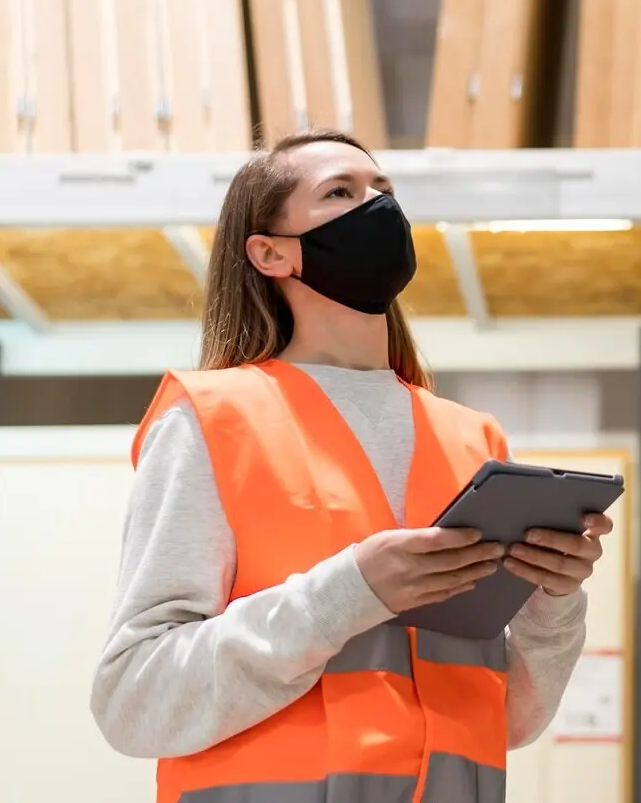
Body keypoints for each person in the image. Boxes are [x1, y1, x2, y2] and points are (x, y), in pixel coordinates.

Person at [90, 129, 611, 803]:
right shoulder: (215, 419)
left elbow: (508, 721)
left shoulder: (472, 439)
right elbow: (134, 700)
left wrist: (554, 603)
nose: (380, 209)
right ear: (271, 252)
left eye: (385, 192)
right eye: (342, 193)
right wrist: (349, 593)